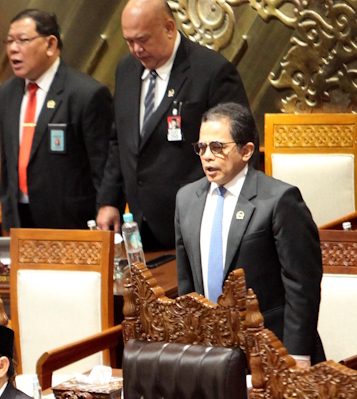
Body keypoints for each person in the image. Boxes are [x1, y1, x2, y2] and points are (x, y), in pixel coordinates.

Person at [175, 103, 323, 365]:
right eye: (202, 147)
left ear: (246, 151)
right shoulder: (186, 199)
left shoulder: (280, 200)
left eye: (218, 147)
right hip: (211, 352)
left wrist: (297, 354)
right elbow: (187, 283)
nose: (207, 156)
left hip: (270, 347)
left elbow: (302, 285)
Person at [97, 0, 248, 251]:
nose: (136, 49)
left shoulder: (212, 72)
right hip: (140, 224)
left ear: (169, 27)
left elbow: (237, 148)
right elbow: (120, 141)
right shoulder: (126, 69)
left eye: (142, 39)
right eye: (129, 41)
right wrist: (109, 201)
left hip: (196, 224)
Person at [0, 9, 113, 231]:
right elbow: (7, 163)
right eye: (9, 41)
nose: (12, 48)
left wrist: (105, 212)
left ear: (50, 44)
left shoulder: (85, 94)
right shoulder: (7, 93)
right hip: (21, 221)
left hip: (71, 222)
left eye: (22, 40)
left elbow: (104, 169)